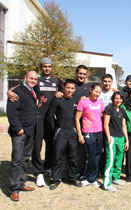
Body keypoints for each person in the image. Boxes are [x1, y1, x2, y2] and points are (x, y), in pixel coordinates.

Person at [7, 58, 64, 187]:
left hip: (50, 118)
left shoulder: (56, 80)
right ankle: (39, 172)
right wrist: (9, 91)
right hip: (37, 118)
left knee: (51, 145)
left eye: (49, 66)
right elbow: (20, 87)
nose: (47, 68)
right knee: (36, 147)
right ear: (41, 67)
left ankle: (48, 167)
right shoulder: (36, 79)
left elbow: (67, 87)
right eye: (45, 66)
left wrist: (60, 91)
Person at [7, 70, 40, 202]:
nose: (33, 81)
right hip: (20, 132)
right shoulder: (17, 92)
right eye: (31, 78)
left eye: (35, 79)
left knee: (26, 158)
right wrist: (18, 128)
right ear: (25, 78)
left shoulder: (35, 90)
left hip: (31, 131)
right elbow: (11, 112)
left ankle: (21, 183)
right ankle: (14, 189)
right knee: (17, 160)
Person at [47, 79, 82, 190]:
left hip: (72, 131)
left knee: (73, 157)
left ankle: (73, 177)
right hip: (60, 131)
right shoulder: (57, 100)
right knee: (57, 156)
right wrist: (55, 129)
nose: (69, 90)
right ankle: (56, 179)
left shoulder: (77, 100)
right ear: (64, 88)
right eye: (68, 88)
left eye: (72, 88)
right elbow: (50, 116)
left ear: (74, 89)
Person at [75, 83, 105, 187]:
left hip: (99, 132)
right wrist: (80, 134)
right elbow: (77, 118)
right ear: (91, 90)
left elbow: (101, 116)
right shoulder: (83, 102)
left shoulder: (100, 103)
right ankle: (85, 177)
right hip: (88, 132)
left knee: (97, 155)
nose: (97, 94)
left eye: (99, 92)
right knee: (90, 156)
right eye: (96, 91)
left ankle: (93, 178)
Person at [102, 91, 129, 192]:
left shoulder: (122, 110)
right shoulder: (109, 108)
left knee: (119, 159)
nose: (118, 100)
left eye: (120, 99)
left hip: (121, 138)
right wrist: (108, 137)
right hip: (112, 138)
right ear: (113, 99)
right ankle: (106, 184)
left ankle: (115, 177)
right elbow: (105, 124)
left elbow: (124, 126)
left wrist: (126, 140)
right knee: (110, 160)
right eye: (116, 98)